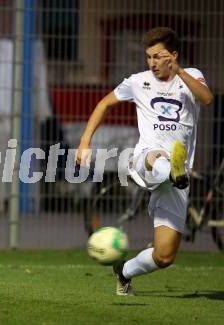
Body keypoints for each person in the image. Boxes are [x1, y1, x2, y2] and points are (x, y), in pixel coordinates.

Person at [75, 27, 213, 296]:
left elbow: (207, 99)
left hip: (178, 178)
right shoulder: (138, 81)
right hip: (146, 160)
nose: (152, 62)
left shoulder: (192, 76)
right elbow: (104, 103)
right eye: (148, 57)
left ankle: (124, 273)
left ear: (173, 55)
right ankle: (169, 167)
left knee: (164, 256)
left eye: (158, 56)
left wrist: (180, 72)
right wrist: (84, 142)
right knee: (156, 155)